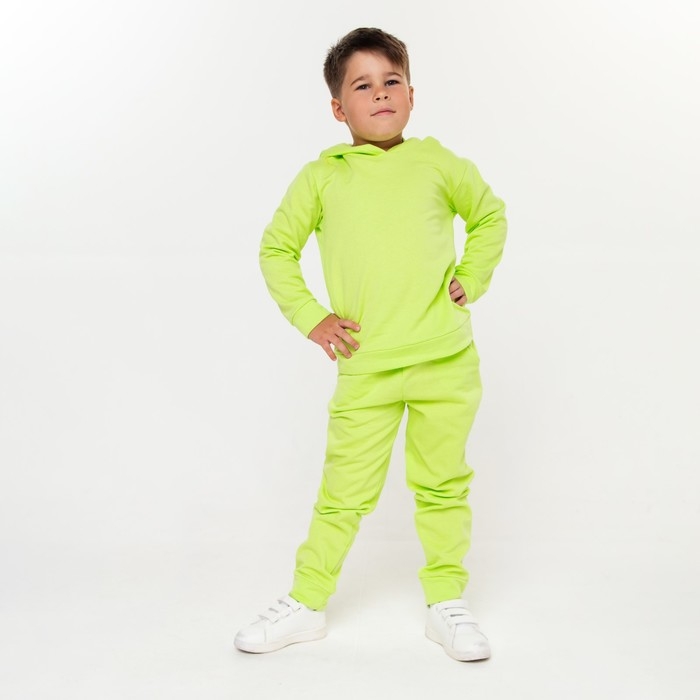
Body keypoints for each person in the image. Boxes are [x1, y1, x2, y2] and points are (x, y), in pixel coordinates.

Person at [234, 27, 507, 662]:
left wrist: (471, 277)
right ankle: (307, 601)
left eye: (391, 82)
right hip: (367, 367)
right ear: (338, 108)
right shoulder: (322, 177)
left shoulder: (439, 162)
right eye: (363, 86)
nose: (380, 94)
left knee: (443, 484)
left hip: (445, 360)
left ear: (411, 95)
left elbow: (490, 214)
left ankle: (446, 602)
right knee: (343, 493)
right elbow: (276, 249)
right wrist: (312, 318)